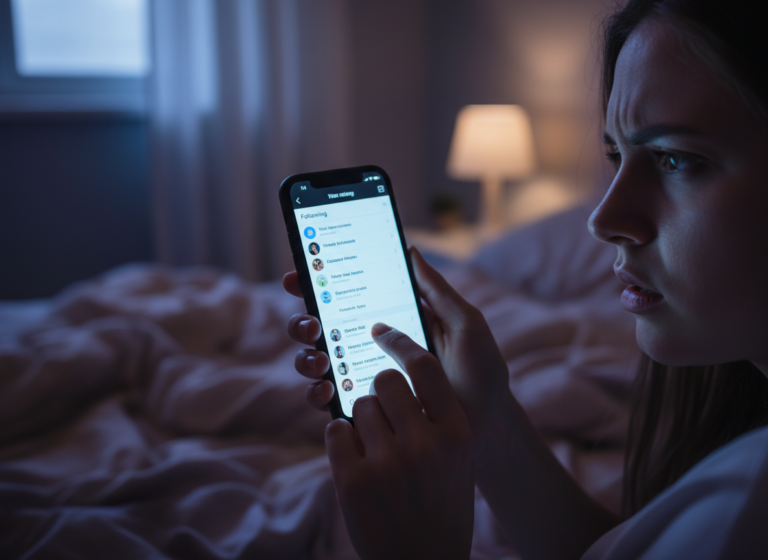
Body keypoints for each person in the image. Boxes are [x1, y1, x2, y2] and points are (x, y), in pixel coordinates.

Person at [283, 1, 768, 558]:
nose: (602, 219)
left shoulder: (749, 495)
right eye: (615, 155)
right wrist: (488, 419)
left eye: (675, 159)